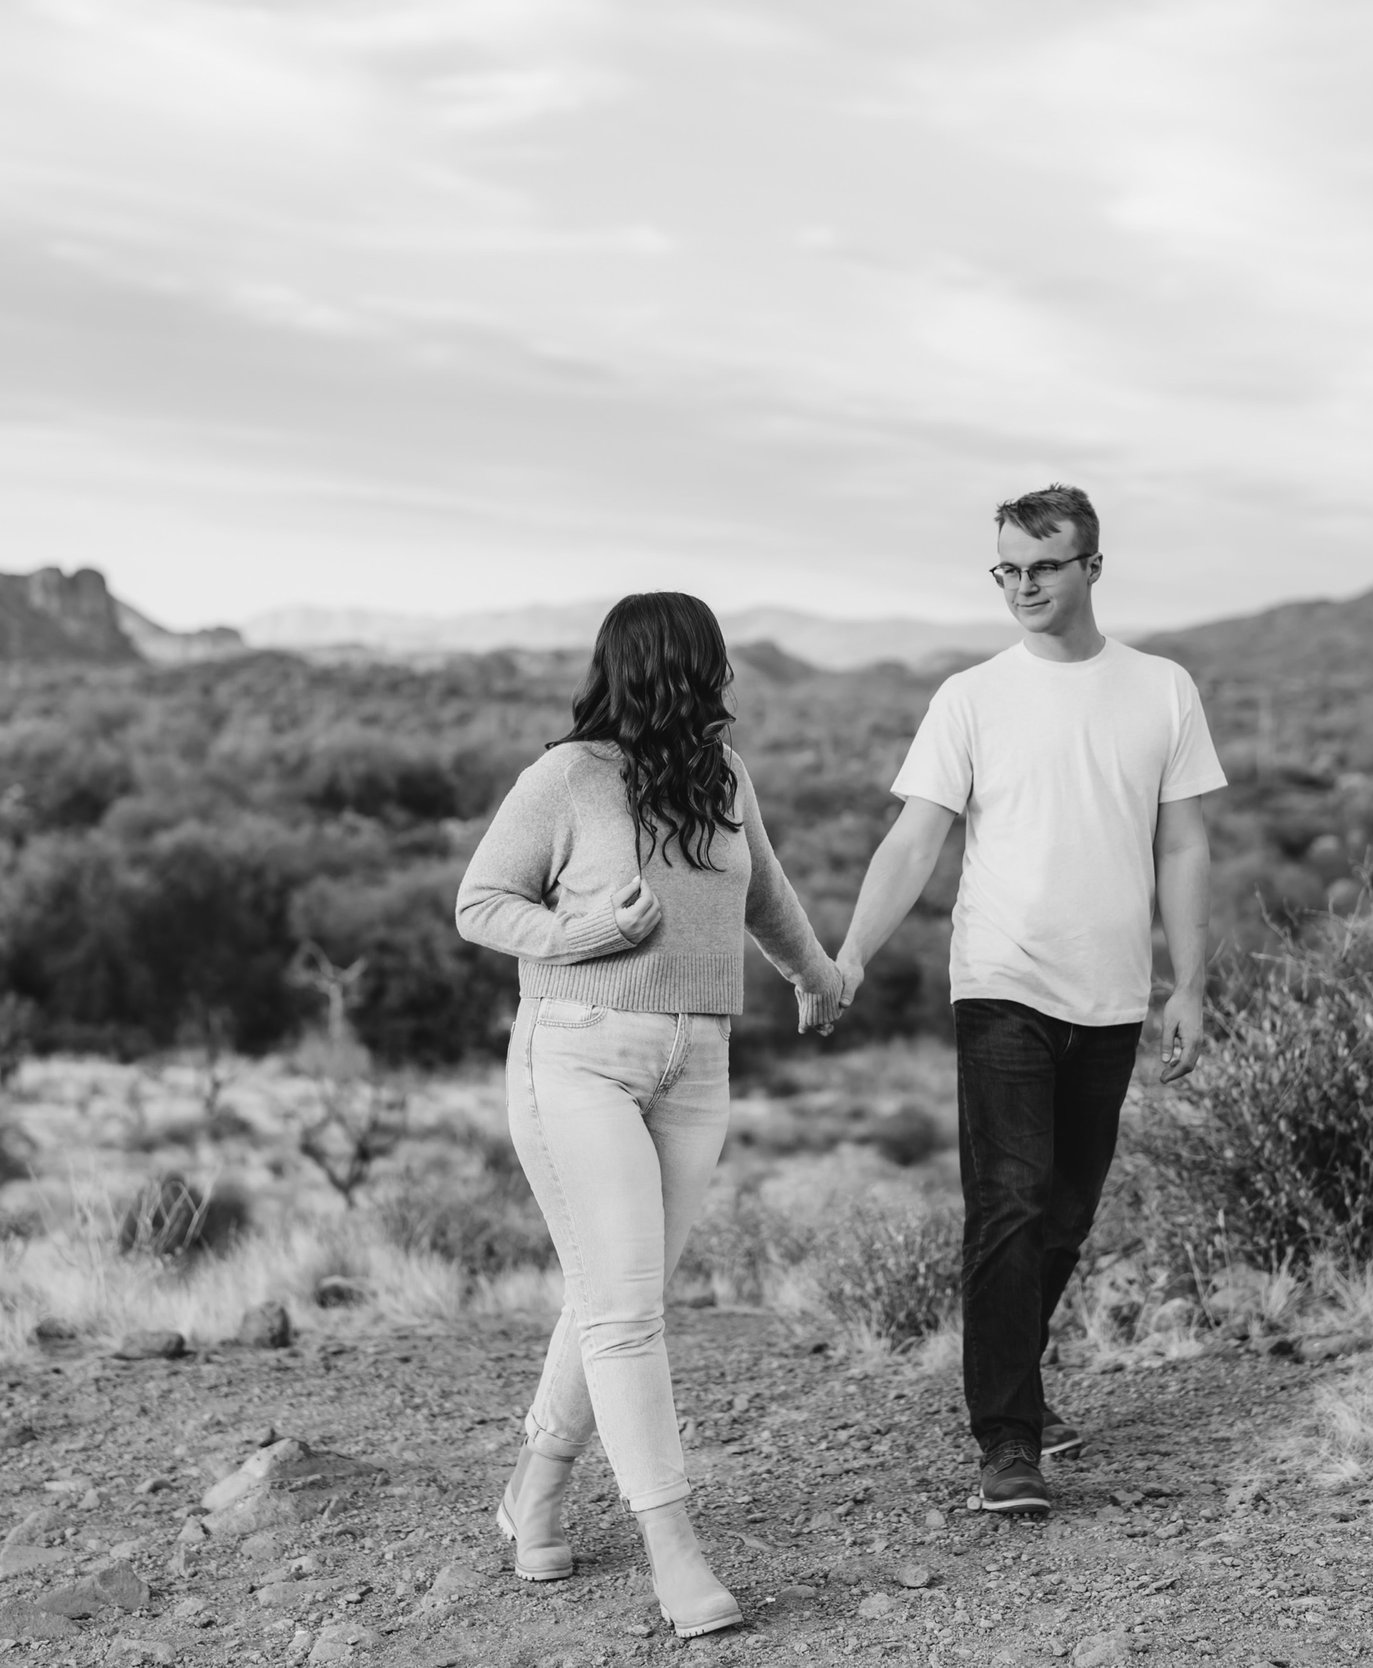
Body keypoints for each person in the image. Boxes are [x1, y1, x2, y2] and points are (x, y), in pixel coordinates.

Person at [455, 592, 845, 1637]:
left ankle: (533, 1492)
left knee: (613, 1297)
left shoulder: (723, 778)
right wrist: (584, 927)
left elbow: (763, 891)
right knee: (628, 1311)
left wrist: (817, 973)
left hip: (698, 1061)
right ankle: (673, 1551)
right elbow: (480, 903)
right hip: (578, 1053)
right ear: (658, 669)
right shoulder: (567, 776)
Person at [832, 484, 1223, 1515]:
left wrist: (1191, 983)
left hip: (1111, 996)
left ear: (1092, 565)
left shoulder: (1163, 689)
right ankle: (1008, 1440)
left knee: (1065, 1210)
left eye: (1041, 566)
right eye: (1005, 568)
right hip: (1000, 981)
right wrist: (852, 954)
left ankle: (1013, 1377)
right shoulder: (970, 696)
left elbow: (1182, 843)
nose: (1021, 585)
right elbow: (914, 839)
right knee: (1007, 1202)